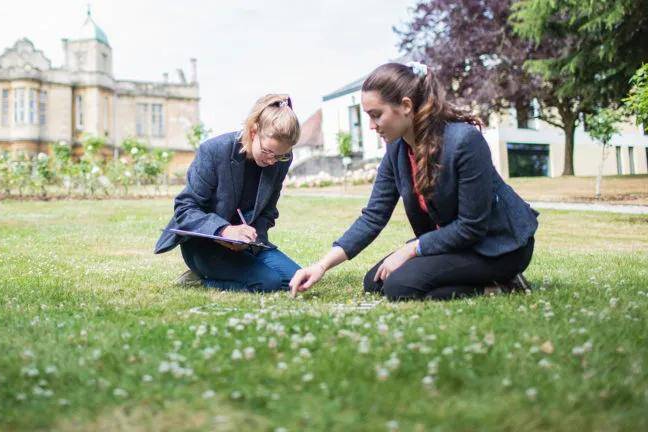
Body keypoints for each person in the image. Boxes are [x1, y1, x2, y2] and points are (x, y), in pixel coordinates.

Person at [290, 62, 539, 301]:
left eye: (376, 115)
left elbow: (471, 227)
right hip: (455, 244)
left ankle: (502, 283)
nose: (371, 126)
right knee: (375, 282)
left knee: (400, 286)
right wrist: (322, 265)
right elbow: (373, 217)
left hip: (498, 246)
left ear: (406, 106)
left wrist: (410, 249)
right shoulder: (397, 149)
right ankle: (486, 283)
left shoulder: (464, 141)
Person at [155, 94, 302, 292]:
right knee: (268, 283)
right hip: (204, 245)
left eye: (280, 155)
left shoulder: (281, 159)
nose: (272, 161)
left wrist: (252, 235)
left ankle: (244, 270)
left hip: (248, 246)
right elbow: (185, 209)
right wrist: (224, 231)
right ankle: (201, 279)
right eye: (268, 151)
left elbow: (268, 211)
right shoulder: (214, 151)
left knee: (297, 280)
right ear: (253, 131)